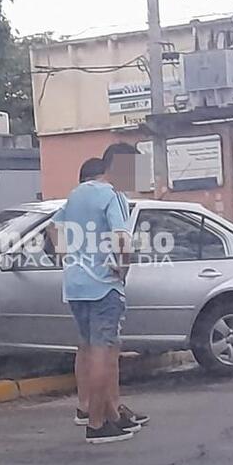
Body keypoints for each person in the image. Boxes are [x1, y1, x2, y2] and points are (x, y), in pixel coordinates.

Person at [50, 151, 148, 444]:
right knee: (103, 355)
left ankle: (106, 414)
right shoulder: (112, 195)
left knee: (89, 350)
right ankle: (97, 424)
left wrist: (65, 256)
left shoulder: (75, 195)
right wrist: (124, 266)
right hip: (104, 285)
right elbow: (121, 236)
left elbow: (53, 227)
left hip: (76, 286)